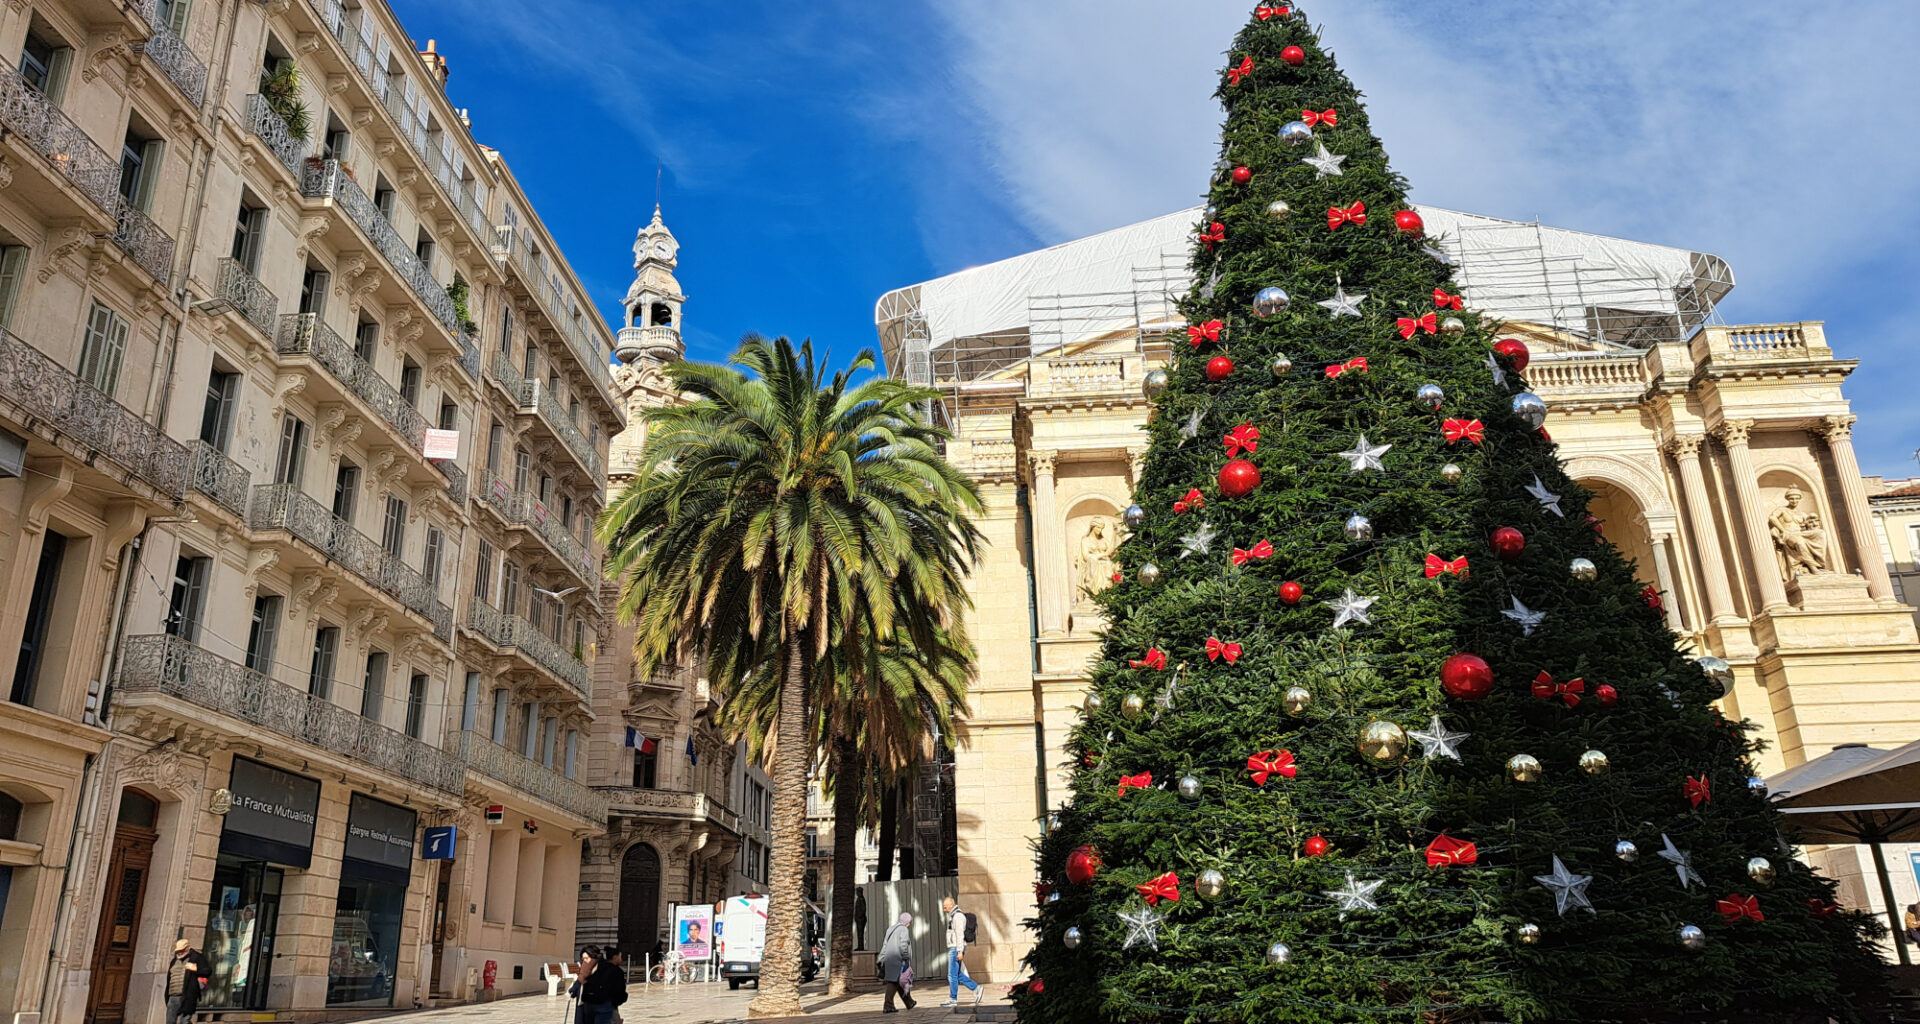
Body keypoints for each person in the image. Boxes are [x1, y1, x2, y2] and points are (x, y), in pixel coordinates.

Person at [569, 945, 626, 1024]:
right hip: (586, 1007)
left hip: (604, 1007)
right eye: (583, 959)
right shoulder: (585, 970)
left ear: (594, 957)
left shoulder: (604, 968)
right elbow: (579, 983)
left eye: (587, 958)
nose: (585, 961)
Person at [940, 897, 981, 1007]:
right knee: (957, 974)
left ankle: (953, 999)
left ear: (951, 904)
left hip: (955, 948)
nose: (944, 909)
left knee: (951, 975)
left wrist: (959, 951)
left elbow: (959, 934)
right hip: (955, 948)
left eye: (945, 907)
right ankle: (976, 988)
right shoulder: (954, 915)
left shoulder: (957, 916)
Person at [878, 912, 916, 1013]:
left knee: (898, 980)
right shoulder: (903, 929)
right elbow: (903, 944)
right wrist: (906, 957)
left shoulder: (891, 929)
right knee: (894, 982)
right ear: (908, 922)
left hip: (889, 958)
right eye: (910, 923)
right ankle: (888, 1006)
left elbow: (885, 944)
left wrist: (881, 958)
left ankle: (909, 1002)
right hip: (898, 959)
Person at [165, 939, 208, 1024]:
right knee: (170, 1021)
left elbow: (207, 971)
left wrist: (196, 969)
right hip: (173, 994)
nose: (180, 953)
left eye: (182, 950)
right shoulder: (175, 960)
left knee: (184, 1021)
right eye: (178, 951)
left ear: (188, 948)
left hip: (188, 996)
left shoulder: (197, 957)